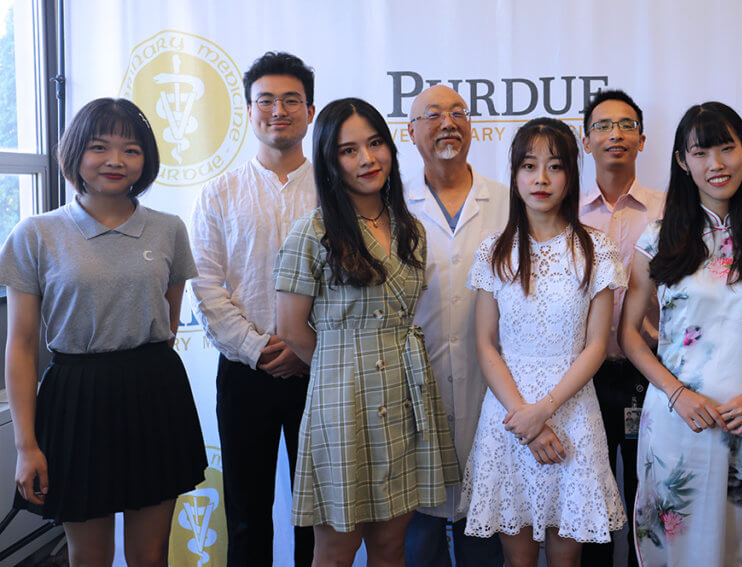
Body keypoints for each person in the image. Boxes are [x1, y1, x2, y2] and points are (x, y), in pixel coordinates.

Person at [1, 98, 206, 566]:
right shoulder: (36, 233)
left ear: (145, 160)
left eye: (130, 149)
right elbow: (21, 346)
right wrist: (26, 445)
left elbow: (169, 323)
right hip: (76, 399)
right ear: (75, 153)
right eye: (99, 147)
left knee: (150, 556)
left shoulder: (169, 229)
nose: (115, 161)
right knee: (88, 556)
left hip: (155, 393)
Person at [274, 97, 459, 567]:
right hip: (343, 402)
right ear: (330, 162)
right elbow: (292, 329)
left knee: (391, 546)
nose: (367, 159)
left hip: (404, 393)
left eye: (375, 144)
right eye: (348, 150)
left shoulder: (410, 229)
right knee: (335, 552)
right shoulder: (311, 232)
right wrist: (343, 367)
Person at [621, 102, 742, 567]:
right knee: (674, 547)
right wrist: (677, 393)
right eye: (701, 153)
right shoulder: (657, 239)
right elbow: (629, 336)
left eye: (727, 148)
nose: (716, 164)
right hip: (675, 420)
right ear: (682, 161)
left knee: (736, 545)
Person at [460, 117, 627, 567]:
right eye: (529, 166)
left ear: (571, 175)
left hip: (571, 412)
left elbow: (596, 346)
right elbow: (486, 343)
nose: (541, 179)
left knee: (564, 560)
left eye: (554, 166)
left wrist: (544, 410)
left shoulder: (598, 249)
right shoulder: (494, 250)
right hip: (508, 415)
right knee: (516, 560)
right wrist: (524, 416)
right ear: (514, 176)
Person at [189, 51, 316, 567]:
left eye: (291, 99)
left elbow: (353, 287)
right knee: (245, 514)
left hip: (321, 371)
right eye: (265, 99)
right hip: (245, 373)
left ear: (310, 110)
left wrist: (307, 349)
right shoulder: (219, 191)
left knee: (318, 514)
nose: (278, 110)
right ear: (248, 110)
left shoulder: (337, 190)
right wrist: (258, 347)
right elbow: (206, 285)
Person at [402, 85, 508, 567]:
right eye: (434, 114)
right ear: (411, 131)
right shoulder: (393, 207)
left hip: (497, 395)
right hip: (412, 395)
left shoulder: (509, 202)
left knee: (484, 540)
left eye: (458, 113)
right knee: (418, 543)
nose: (449, 122)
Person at [578, 89, 665, 567]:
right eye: (604, 126)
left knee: (643, 497)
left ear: (643, 139)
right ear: (585, 140)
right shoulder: (561, 209)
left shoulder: (669, 210)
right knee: (587, 497)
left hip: (646, 375)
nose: (616, 134)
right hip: (580, 376)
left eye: (627, 125)